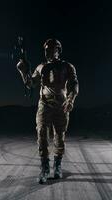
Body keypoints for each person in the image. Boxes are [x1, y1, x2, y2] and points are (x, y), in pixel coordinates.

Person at [16, 38, 79, 184]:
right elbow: (30, 84)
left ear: (58, 50)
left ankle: (57, 166)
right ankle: (44, 168)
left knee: (59, 136)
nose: (48, 52)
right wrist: (22, 71)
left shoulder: (67, 66)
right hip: (44, 104)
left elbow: (74, 84)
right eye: (46, 49)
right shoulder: (40, 67)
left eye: (51, 49)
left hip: (62, 105)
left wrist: (71, 100)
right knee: (42, 133)